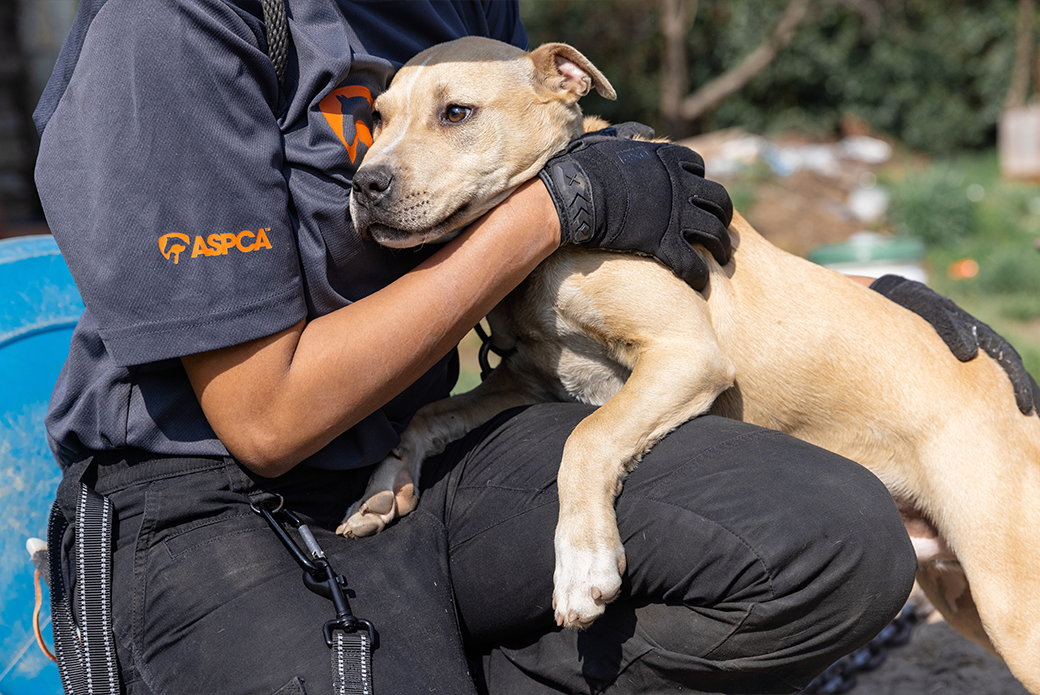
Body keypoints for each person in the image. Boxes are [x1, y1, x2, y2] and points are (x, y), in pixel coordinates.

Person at [33, 1, 919, 693]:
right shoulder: (173, 22)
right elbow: (265, 416)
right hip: (208, 493)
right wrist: (551, 212)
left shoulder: (461, 1)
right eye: (376, 125)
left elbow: (537, 144)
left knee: (828, 536)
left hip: (421, 445)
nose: (376, 161)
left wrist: (864, 308)